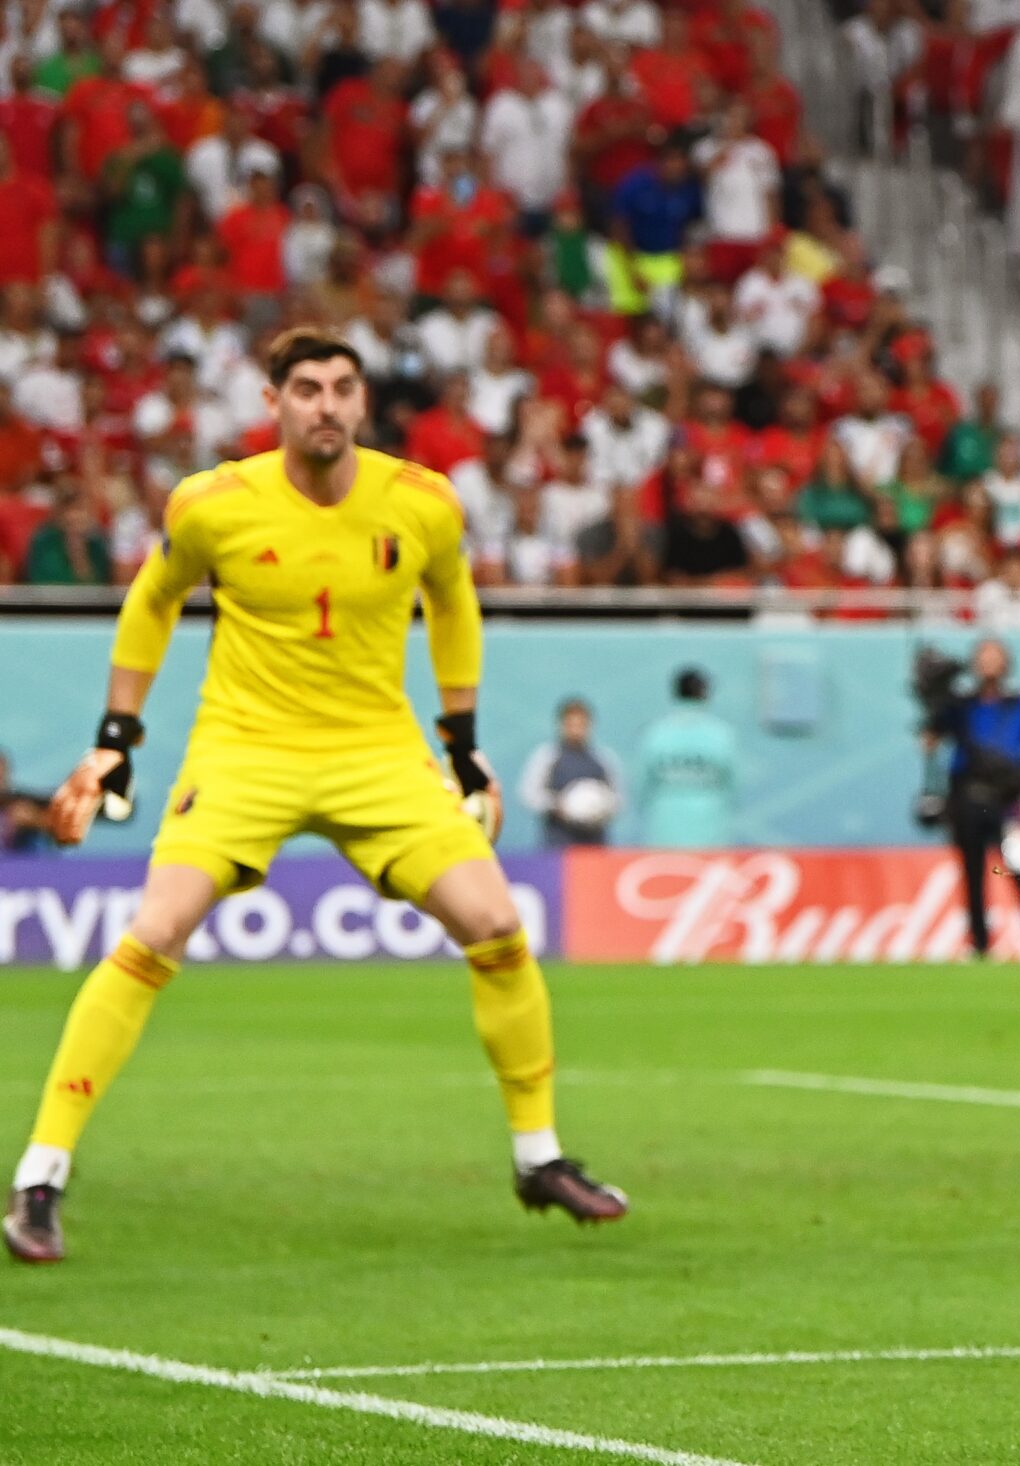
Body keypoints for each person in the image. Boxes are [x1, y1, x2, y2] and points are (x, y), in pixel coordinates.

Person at [4, 328, 627, 1265]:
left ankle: (538, 1158)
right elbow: (152, 599)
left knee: (497, 924)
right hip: (245, 750)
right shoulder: (214, 504)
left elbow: (453, 603)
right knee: (154, 932)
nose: (326, 405)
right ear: (274, 403)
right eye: (306, 388)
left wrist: (460, 741)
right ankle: (41, 1177)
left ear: (363, 403)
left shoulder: (422, 502)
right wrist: (116, 740)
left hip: (379, 752)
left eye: (342, 387)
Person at [925, 638, 1020, 959]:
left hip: (1009, 800)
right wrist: (933, 703)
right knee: (972, 872)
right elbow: (931, 741)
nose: (988, 662)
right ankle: (979, 943)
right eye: (983, 656)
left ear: (1006, 663)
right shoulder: (961, 707)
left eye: (994, 655)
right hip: (968, 798)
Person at [635, 667, 739, 848]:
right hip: (711, 828)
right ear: (705, 694)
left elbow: (642, 785)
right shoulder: (722, 735)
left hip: (664, 826)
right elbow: (732, 785)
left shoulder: (656, 733)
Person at [517, 696, 624, 846]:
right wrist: (558, 806)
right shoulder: (547, 757)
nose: (576, 729)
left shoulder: (603, 759)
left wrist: (600, 807)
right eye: (571, 724)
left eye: (581, 724)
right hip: (558, 842)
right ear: (561, 725)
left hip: (595, 843)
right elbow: (530, 794)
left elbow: (617, 799)